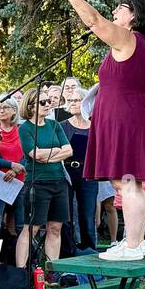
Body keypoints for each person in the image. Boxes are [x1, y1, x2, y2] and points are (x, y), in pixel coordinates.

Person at [49, 0, 145, 260]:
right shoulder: (142, 44)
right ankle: (133, 240)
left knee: (128, 181)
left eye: (120, 8)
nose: (115, 12)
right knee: (124, 182)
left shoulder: (129, 38)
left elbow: (95, 21)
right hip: (125, 115)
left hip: (126, 117)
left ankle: (134, 245)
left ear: (133, 15)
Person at [16, 88, 72, 270]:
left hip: (59, 181)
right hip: (37, 183)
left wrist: (48, 154)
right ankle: (21, 271)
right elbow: (34, 154)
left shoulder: (54, 125)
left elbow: (69, 151)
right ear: (31, 106)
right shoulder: (25, 128)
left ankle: (51, 272)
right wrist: (57, 151)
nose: (48, 105)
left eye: (49, 101)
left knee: (55, 227)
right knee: (31, 228)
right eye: (43, 102)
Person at [0, 93, 27, 265]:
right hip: (0, 181)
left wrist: (18, 167)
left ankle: (24, 264)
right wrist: (10, 164)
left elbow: (30, 153)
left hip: (21, 181)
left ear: (14, 111)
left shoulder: (22, 130)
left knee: (22, 225)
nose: (1, 110)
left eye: (5, 107)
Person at [63, 92, 96, 250]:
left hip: (88, 171)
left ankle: (90, 250)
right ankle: (69, 250)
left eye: (77, 100)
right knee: (66, 213)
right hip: (66, 170)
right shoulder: (62, 125)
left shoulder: (95, 125)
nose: (73, 103)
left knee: (88, 213)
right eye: (70, 100)